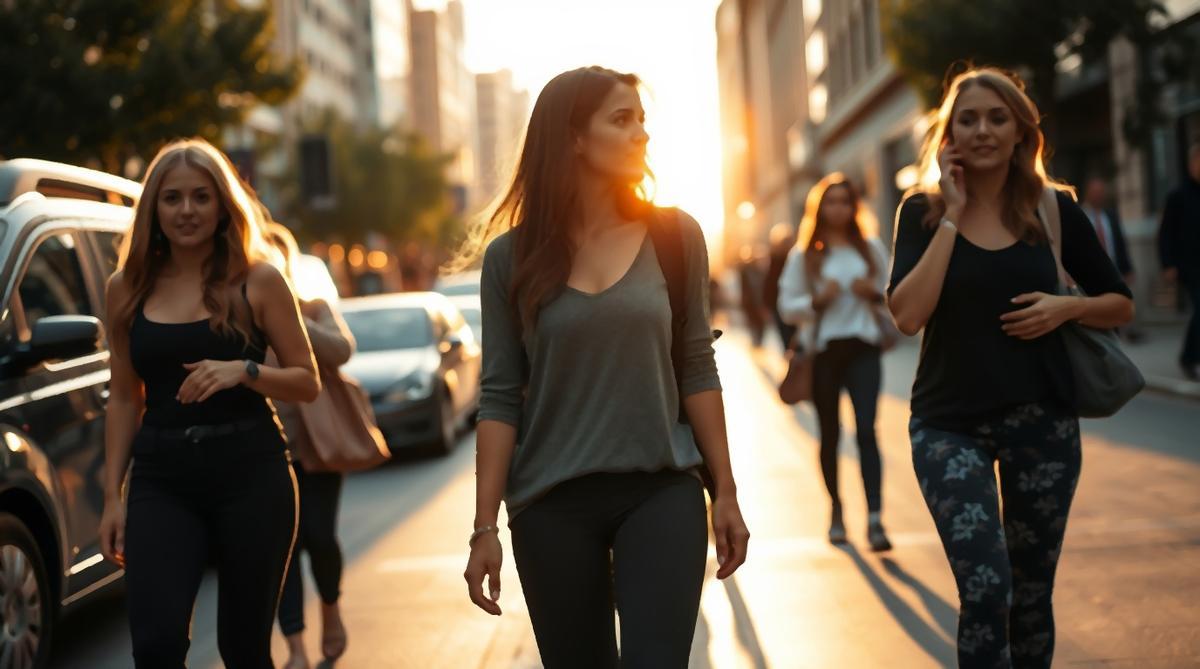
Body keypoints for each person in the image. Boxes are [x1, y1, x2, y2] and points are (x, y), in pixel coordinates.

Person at [459, 66, 749, 668]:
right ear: (573, 137)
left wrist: (725, 491)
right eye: (622, 119)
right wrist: (484, 527)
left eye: (642, 119)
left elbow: (696, 366)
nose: (640, 133)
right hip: (551, 502)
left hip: (660, 489)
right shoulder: (509, 259)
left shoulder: (674, 236)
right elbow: (500, 397)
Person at [888, 67, 1134, 668]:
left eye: (997, 118)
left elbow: (1120, 304)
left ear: (1021, 131)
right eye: (967, 119)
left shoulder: (1053, 209)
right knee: (986, 588)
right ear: (949, 135)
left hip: (1041, 422)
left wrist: (1064, 308)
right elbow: (908, 315)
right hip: (949, 426)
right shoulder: (921, 211)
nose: (982, 130)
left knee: (1029, 595)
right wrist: (952, 213)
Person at [98, 138, 321, 668]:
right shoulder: (124, 288)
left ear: (223, 204)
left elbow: (306, 380)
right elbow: (125, 398)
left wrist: (243, 370)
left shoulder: (257, 280)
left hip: (251, 473)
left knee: (243, 651)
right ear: (154, 208)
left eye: (201, 196)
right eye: (172, 199)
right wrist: (112, 495)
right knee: (155, 645)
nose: (187, 210)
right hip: (162, 476)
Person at [777, 173, 893, 552]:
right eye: (832, 201)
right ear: (820, 208)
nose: (839, 208)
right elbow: (786, 306)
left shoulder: (871, 248)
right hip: (824, 353)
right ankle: (837, 511)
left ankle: (875, 518)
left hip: (863, 349)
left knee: (866, 431)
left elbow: (895, 295)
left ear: (854, 206)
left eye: (845, 201)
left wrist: (872, 293)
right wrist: (816, 301)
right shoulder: (805, 255)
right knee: (829, 433)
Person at [265, 222, 354, 669]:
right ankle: (297, 646)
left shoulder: (314, 308)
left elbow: (342, 351)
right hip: (269, 455)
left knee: (320, 538)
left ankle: (332, 612)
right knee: (283, 550)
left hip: (317, 453)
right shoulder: (245, 314)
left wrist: (291, 319)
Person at [1081, 176, 1142, 343]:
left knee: (1114, 308)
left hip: (1113, 271)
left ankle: (1115, 337)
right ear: (1088, 193)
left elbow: (1120, 243)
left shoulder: (1111, 215)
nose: (1099, 196)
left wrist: (1127, 268)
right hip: (1089, 276)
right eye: (1095, 192)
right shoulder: (1079, 216)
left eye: (1101, 192)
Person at [1159, 141, 1200, 380]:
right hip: (1188, 266)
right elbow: (1166, 232)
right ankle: (1190, 357)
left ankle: (1189, 355)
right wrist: (1168, 264)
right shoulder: (1178, 195)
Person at [763, 222, 799, 352]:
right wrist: (768, 307)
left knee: (795, 338)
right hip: (779, 305)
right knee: (787, 338)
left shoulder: (796, 258)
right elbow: (769, 284)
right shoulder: (775, 260)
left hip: (794, 303)